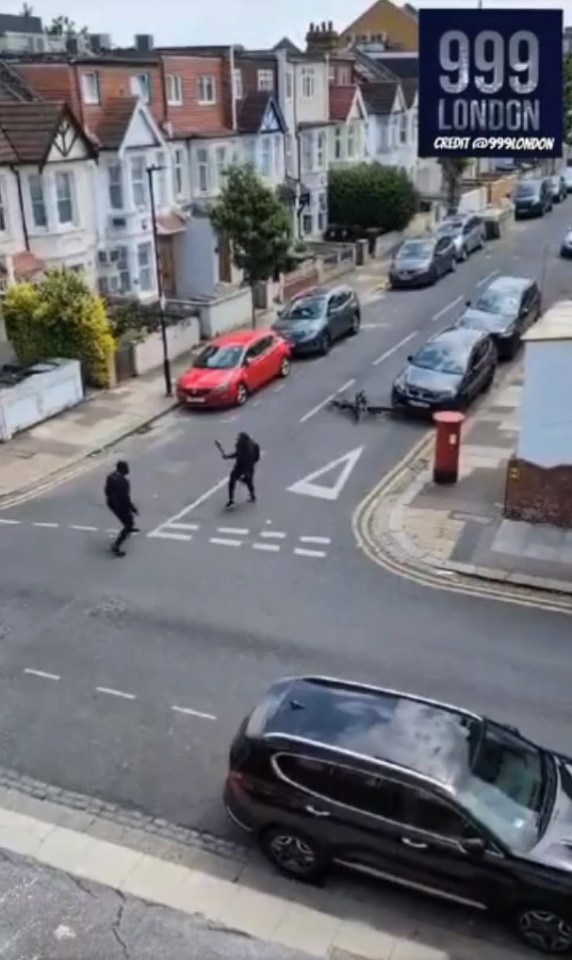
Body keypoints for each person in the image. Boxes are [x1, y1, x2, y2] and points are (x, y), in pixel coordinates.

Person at [104, 460, 139, 557]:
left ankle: (129, 528)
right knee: (128, 524)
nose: (128, 470)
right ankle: (116, 546)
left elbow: (106, 490)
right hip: (120, 505)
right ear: (123, 469)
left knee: (129, 519)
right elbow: (125, 498)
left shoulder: (110, 476)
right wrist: (133, 508)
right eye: (127, 468)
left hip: (112, 503)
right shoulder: (123, 482)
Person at [223, 432, 260, 509]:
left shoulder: (252, 447)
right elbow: (237, 454)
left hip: (247, 466)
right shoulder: (241, 445)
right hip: (241, 466)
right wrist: (228, 456)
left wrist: (246, 471)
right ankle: (231, 500)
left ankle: (252, 495)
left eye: (239, 439)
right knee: (233, 480)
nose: (238, 441)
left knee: (247, 481)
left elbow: (255, 457)